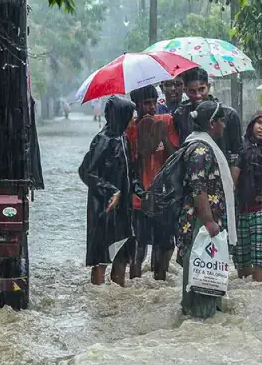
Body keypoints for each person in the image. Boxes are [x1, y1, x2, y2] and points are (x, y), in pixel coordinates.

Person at [176, 101, 237, 319]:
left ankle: (200, 319)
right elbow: (198, 188)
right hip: (200, 223)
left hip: (203, 221)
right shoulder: (201, 149)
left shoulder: (200, 145)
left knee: (204, 275)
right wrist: (210, 221)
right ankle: (199, 320)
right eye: (221, 121)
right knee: (202, 276)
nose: (224, 126)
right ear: (212, 123)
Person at [79, 96, 144, 287]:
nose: (133, 118)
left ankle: (118, 293)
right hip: (103, 208)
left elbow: (129, 172)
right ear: (119, 116)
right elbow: (86, 172)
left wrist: (140, 191)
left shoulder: (123, 138)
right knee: (101, 256)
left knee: (122, 253)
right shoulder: (103, 140)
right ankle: (98, 294)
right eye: (129, 114)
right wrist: (111, 190)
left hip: (123, 208)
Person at [126, 85, 180, 280]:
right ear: (136, 105)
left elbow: (176, 157)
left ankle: (160, 281)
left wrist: (162, 136)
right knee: (139, 247)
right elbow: (130, 165)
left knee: (164, 244)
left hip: (163, 197)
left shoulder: (166, 121)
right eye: (146, 103)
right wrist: (143, 142)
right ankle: (135, 285)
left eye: (154, 103)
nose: (151, 108)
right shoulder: (129, 128)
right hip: (138, 199)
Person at [231, 108, 262, 282]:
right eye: (260, 123)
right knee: (242, 260)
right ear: (252, 124)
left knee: (261, 260)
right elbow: (232, 180)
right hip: (241, 210)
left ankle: (259, 291)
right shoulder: (241, 147)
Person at [173, 67, 242, 166]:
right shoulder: (181, 115)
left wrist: (230, 180)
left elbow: (237, 155)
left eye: (201, 89)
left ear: (208, 86)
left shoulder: (229, 115)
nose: (198, 96)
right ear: (185, 90)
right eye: (192, 91)